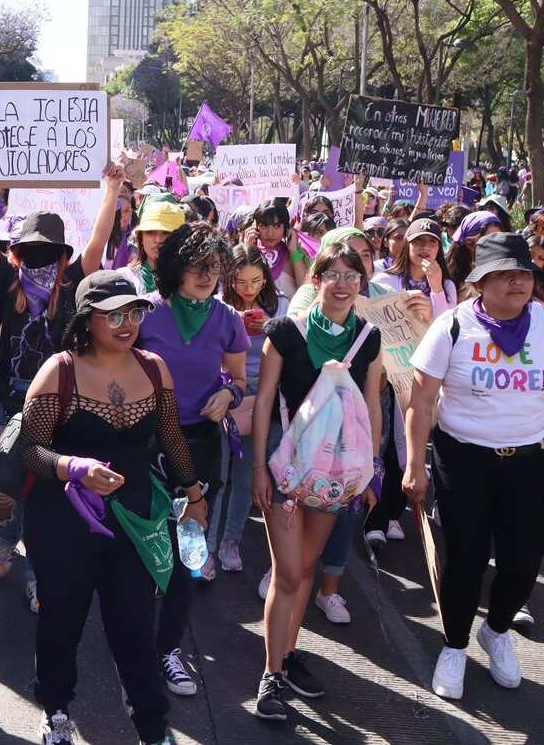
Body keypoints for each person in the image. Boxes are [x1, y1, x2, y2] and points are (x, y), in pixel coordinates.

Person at [12, 270, 206, 745]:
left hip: (135, 518)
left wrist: (195, 495)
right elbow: (29, 449)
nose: (127, 324)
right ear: (87, 319)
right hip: (63, 521)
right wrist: (73, 467)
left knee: (135, 627)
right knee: (62, 621)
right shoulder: (60, 370)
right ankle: (56, 710)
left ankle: (152, 727)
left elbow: (171, 436)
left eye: (134, 313)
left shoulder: (154, 367)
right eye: (113, 315)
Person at [404, 233, 544, 701]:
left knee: (523, 562)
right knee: (465, 559)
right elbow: (421, 402)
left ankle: (497, 630)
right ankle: (455, 645)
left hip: (528, 462)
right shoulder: (452, 326)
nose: (517, 282)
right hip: (463, 461)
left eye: (523, 273)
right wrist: (415, 464)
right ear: (480, 282)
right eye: (504, 274)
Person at [0, 162, 117, 599]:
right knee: (4, 482)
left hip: (58, 402)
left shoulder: (73, 286)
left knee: (45, 489)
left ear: (64, 256)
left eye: (47, 250)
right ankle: (5, 537)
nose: (38, 256)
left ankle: (36, 572)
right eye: (30, 249)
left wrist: (111, 190)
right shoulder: (6, 282)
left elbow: (98, 240)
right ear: (17, 253)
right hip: (9, 398)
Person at [249, 242, 385, 721]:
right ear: (316, 280)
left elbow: (372, 406)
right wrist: (259, 469)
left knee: (306, 568)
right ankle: (270, 675)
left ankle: (287, 657)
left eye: (352, 275)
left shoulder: (368, 337)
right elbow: (264, 401)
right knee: (287, 573)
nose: (343, 284)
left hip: (336, 475)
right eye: (334, 274)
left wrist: (370, 470)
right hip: (286, 470)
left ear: (362, 283)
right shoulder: (286, 332)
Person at [133, 222, 246, 696]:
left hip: (201, 443)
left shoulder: (228, 318)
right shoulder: (145, 313)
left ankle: (167, 649)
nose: (205, 275)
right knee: (141, 545)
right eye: (196, 266)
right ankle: (132, 642)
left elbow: (239, 380)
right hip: (145, 442)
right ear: (175, 267)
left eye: (214, 267)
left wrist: (229, 394)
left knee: (188, 550)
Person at [216, 245, 289, 574]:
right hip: (223, 392)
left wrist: (271, 327)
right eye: (241, 282)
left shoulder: (280, 305)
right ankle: (205, 545)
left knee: (246, 476)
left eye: (256, 281)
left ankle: (231, 540)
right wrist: (234, 328)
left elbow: (294, 343)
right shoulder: (218, 306)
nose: (249, 289)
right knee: (217, 476)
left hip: (263, 396)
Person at [448, 210, 505, 291]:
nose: (495, 246)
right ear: (469, 243)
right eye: (489, 241)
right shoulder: (449, 283)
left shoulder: (506, 272)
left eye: (498, 239)